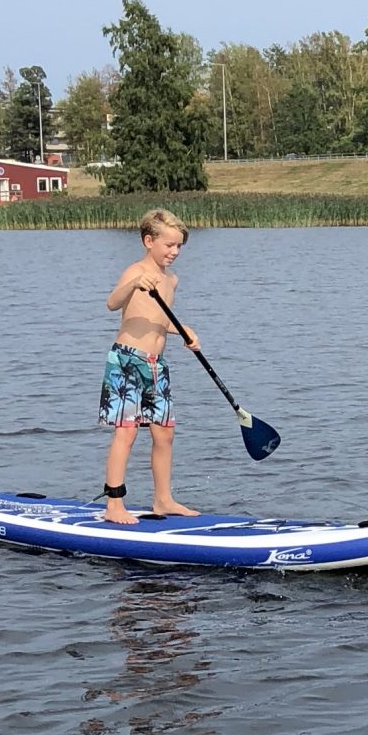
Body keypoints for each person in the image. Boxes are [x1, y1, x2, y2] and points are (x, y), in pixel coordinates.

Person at [99, 210, 202, 523]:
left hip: (157, 365)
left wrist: (184, 330)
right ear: (148, 241)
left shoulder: (172, 280)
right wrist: (132, 285)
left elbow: (159, 320)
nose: (174, 252)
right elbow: (112, 303)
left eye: (179, 246)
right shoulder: (136, 271)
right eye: (169, 245)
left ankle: (163, 499)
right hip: (128, 360)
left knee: (164, 435)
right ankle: (114, 504)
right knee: (126, 433)